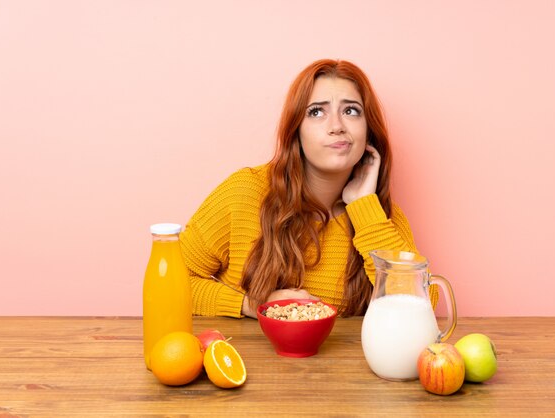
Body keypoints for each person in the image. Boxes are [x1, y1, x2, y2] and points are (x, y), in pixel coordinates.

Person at [180, 58, 437, 318]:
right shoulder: (245, 192)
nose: (337, 126)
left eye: (351, 111)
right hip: (247, 357)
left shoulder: (379, 216)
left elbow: (421, 306)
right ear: (296, 132)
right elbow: (172, 282)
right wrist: (252, 305)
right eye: (316, 112)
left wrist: (363, 207)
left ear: (368, 131)